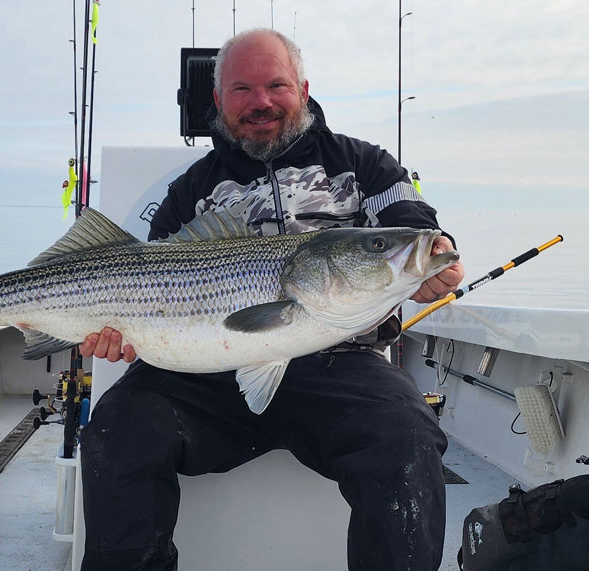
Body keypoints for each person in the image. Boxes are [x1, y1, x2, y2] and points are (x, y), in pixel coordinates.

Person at [79, 28, 464, 571]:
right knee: (117, 431)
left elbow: (416, 229)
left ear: (303, 89)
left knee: (406, 432)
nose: (260, 102)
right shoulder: (190, 190)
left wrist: (438, 255)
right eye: (242, 90)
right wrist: (120, 336)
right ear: (218, 102)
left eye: (275, 85)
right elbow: (146, 284)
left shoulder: (365, 164)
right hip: (202, 379)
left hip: (341, 365)